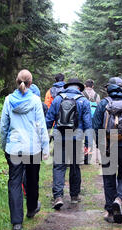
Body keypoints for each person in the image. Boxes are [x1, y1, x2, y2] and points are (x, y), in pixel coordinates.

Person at [0, 70, 50, 230]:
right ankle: (31, 208)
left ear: (17, 81)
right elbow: (41, 126)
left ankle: (16, 222)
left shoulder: (8, 100)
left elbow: (4, 126)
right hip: (32, 148)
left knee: (14, 182)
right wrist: (45, 147)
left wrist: (3, 145)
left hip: (14, 147)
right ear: (30, 83)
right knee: (32, 179)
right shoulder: (36, 101)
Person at [93, 77, 122, 224]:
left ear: (109, 88)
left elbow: (96, 127)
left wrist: (101, 147)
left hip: (109, 145)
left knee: (109, 178)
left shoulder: (103, 104)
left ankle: (110, 211)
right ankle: (119, 199)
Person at [46, 78, 93, 210]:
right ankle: (74, 196)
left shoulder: (58, 99)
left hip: (59, 136)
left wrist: (45, 138)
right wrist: (88, 142)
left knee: (59, 166)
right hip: (76, 138)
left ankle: (58, 196)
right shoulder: (84, 101)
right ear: (79, 88)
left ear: (67, 87)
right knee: (74, 166)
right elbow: (88, 123)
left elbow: (49, 119)